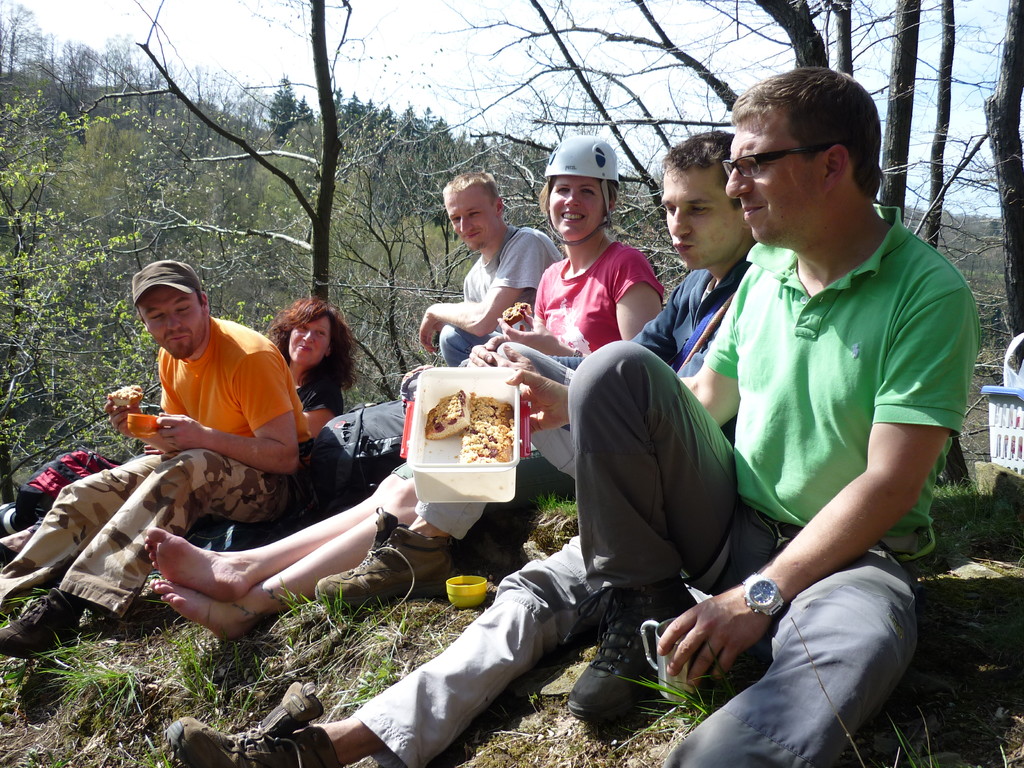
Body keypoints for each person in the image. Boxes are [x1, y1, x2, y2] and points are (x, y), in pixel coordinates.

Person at [164, 118, 851, 768]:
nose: (678, 225)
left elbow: (648, 388)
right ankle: (301, 687)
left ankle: (308, 570)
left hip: (668, 480)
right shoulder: (686, 288)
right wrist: (523, 363)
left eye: (699, 209)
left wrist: (544, 375)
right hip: (617, 459)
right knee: (429, 466)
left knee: (451, 443)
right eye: (670, 208)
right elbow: (624, 375)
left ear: (741, 205)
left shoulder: (741, 285)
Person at [144, 136, 671, 635]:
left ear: (609, 201)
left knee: (434, 471)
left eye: (586, 191)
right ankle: (249, 573)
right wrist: (499, 350)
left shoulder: (626, 266)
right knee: (399, 486)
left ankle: (260, 591)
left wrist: (530, 351)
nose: (571, 202)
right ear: (546, 197)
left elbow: (637, 377)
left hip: (597, 445)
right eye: (561, 189)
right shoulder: (553, 279)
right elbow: (534, 350)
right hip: (535, 435)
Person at [0, 260, 313, 659]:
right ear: (145, 322)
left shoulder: (247, 356)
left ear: (204, 303)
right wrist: (139, 429)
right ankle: (10, 589)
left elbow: (286, 457)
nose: (173, 324)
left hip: (283, 487)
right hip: (208, 465)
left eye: (182, 310)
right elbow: (177, 443)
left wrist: (201, 437)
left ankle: (67, 607)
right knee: (87, 489)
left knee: (187, 469)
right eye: (158, 316)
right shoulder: (170, 358)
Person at [418, 172, 561, 366]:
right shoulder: (473, 279)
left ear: (498, 207)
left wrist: (434, 311)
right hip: (508, 359)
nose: (464, 226)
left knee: (451, 335)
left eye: (473, 214)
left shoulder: (527, 242)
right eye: (455, 218)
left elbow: (482, 322)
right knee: (453, 337)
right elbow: (477, 326)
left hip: (553, 359)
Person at [268, 297, 357, 437]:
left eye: (320, 333)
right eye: (303, 327)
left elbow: (292, 438)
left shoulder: (325, 393)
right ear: (289, 333)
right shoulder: (269, 378)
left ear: (329, 348)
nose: (308, 337)